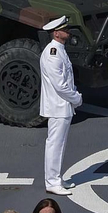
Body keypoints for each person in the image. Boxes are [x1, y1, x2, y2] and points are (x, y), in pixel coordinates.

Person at [38, 18, 81, 197]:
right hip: (58, 105)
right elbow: (60, 85)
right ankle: (52, 182)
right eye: (64, 29)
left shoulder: (59, 50)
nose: (68, 31)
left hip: (62, 105)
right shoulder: (53, 54)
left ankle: (57, 178)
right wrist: (76, 98)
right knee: (55, 144)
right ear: (56, 33)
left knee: (60, 144)